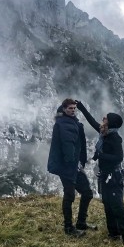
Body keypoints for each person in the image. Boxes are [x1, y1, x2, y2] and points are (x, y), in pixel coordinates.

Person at [76, 100, 124, 246]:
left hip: (113, 176)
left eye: (106, 118)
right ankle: (113, 233)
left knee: (117, 206)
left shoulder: (115, 138)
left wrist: (101, 155)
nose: (103, 118)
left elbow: (118, 157)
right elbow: (91, 121)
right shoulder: (104, 132)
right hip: (105, 175)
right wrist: (82, 107)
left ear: (111, 123)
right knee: (108, 204)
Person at [47, 98, 95, 237]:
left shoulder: (70, 122)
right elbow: (68, 145)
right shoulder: (64, 124)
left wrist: (78, 163)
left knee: (87, 193)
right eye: (70, 108)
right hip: (67, 167)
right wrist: (72, 164)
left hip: (74, 166)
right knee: (69, 195)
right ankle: (68, 227)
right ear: (64, 109)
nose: (73, 110)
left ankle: (81, 222)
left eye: (74, 108)